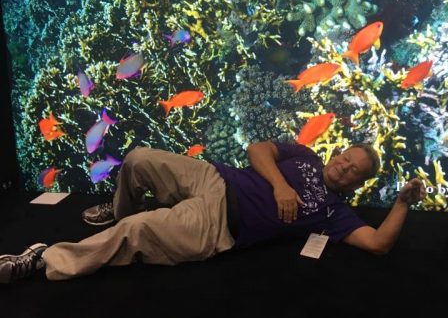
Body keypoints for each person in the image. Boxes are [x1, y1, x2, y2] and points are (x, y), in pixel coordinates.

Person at [0, 140, 425, 283]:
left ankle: (41, 261)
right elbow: (257, 150)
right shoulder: (306, 156)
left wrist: (403, 202)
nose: (345, 166)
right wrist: (280, 185)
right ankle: (117, 206)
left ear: (359, 184)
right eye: (346, 157)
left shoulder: (336, 214)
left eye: (355, 170)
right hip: (213, 179)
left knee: (138, 229)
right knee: (139, 158)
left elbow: (378, 244)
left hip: (219, 224)